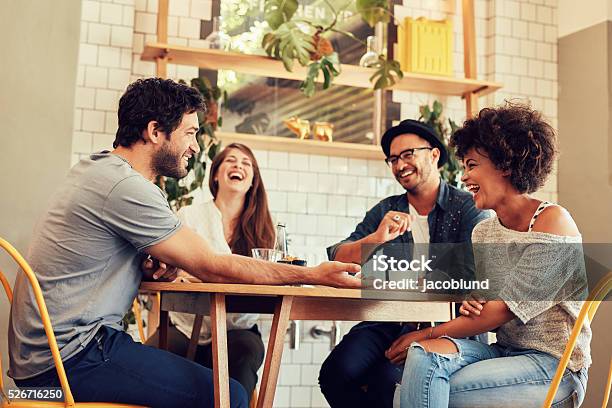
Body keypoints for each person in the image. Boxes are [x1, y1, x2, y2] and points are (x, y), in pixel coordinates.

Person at [8, 78, 360, 408]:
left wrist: (149, 261)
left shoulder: (98, 170)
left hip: (41, 359)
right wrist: (313, 273)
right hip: (69, 361)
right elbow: (211, 265)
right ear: (155, 131)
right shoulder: (127, 187)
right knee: (231, 397)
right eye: (190, 133)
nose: (195, 146)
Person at [396, 103, 590, 407]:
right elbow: (485, 310)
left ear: (505, 164)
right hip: (504, 351)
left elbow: (498, 312)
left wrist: (424, 333)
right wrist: (471, 298)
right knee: (424, 358)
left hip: (555, 367)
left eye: (471, 165)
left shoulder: (554, 222)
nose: (463, 176)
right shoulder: (484, 233)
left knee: (419, 389)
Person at [318, 119, 488, 408]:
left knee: (388, 381)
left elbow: (475, 270)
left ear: (434, 155)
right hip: (388, 318)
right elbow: (337, 257)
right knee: (336, 373)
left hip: (448, 326)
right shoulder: (386, 210)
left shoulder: (468, 206)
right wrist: (375, 238)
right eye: (393, 159)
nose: (400, 165)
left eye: (408, 154)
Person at [145, 142, 273, 403]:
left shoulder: (265, 230)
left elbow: (269, 280)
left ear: (253, 181)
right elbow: (170, 272)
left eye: (246, 163)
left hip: (239, 329)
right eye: (231, 161)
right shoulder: (189, 216)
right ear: (215, 174)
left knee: (245, 353)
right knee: (149, 361)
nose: (238, 166)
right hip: (184, 325)